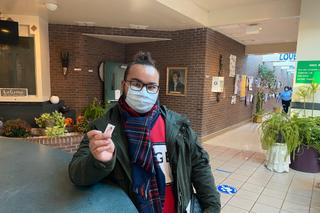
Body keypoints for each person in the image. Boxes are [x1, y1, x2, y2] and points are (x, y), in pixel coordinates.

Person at [68, 52, 221, 213]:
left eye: (151, 86)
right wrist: (100, 162)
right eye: (136, 84)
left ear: (157, 89)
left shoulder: (178, 126)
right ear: (123, 85)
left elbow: (200, 167)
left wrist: (212, 208)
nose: (144, 91)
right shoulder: (103, 128)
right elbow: (76, 175)